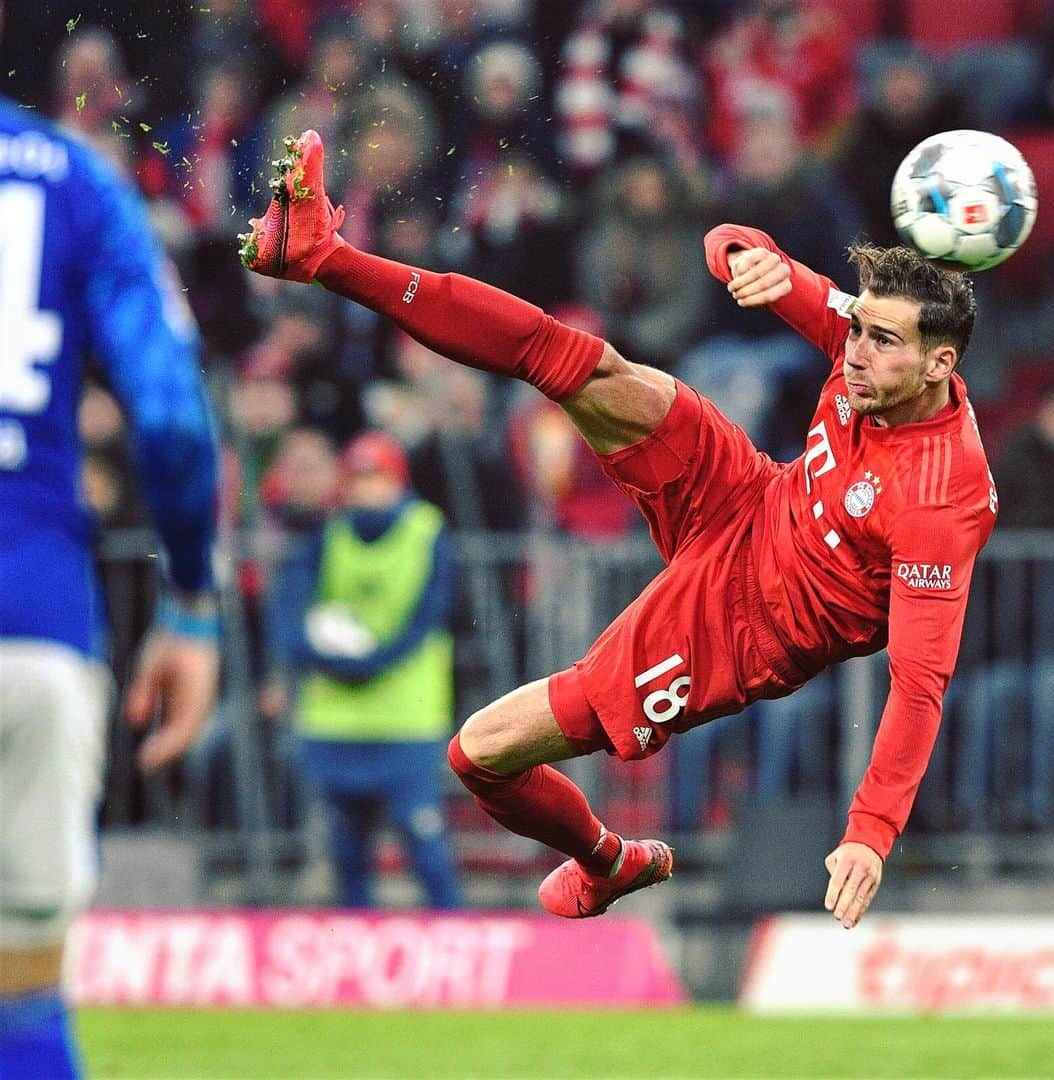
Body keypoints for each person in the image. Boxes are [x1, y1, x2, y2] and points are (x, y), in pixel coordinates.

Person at [240, 129, 996, 932]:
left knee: (478, 753)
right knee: (579, 362)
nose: (854, 353)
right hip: (745, 496)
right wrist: (744, 253)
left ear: (939, 365)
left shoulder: (942, 498)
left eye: (882, 343)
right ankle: (323, 254)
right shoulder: (867, 343)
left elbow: (919, 683)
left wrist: (870, 833)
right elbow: (727, 243)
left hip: (740, 630)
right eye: (857, 329)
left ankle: (606, 861)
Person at [0, 42, 220, 1080]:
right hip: (32, 626)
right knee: (24, 989)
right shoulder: (79, 181)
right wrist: (190, 601)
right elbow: (172, 424)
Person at [265, 431, 462, 909]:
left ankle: (454, 937)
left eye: (378, 481)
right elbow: (292, 613)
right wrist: (330, 661)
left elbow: (430, 615)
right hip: (336, 719)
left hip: (406, 718)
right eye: (359, 481)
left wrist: (368, 664)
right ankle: (361, 951)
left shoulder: (426, 531)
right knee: (346, 847)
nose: (368, 493)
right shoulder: (327, 535)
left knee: (424, 841)